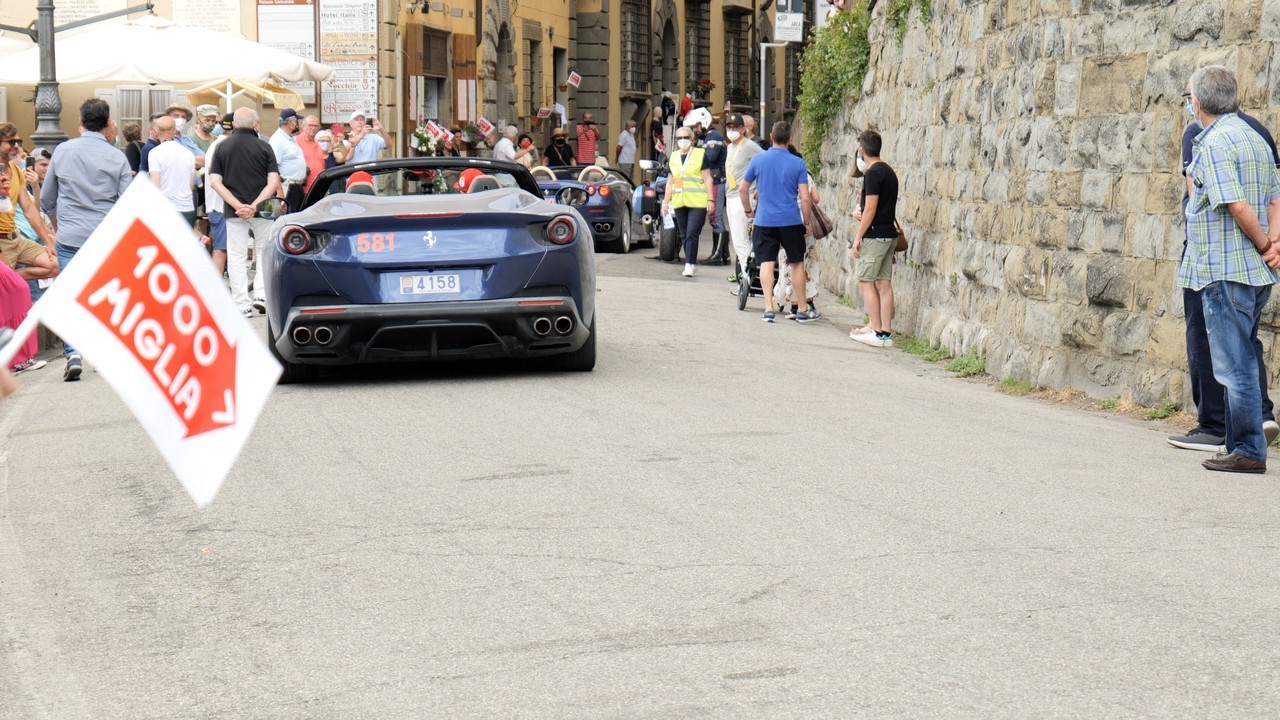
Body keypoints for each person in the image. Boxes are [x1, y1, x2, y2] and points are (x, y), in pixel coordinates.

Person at [1180, 65, 1280, 474]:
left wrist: (1261, 242)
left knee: (1232, 364)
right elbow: (1275, 196)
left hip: (1225, 267)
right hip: (1256, 272)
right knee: (1245, 356)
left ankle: (1246, 449)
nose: (1188, 103)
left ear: (1198, 102)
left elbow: (1236, 205)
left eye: (1188, 97)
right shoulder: (1255, 137)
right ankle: (1248, 444)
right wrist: (1274, 244)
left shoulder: (1214, 143)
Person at [41, 98, 133, 381]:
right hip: (104, 235)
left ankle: (73, 352)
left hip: (70, 235)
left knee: (71, 295)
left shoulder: (63, 151)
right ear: (107, 124)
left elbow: (46, 198)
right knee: (104, 295)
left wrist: (58, 219)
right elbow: (126, 201)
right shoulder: (116, 156)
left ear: (80, 122)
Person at [740, 120, 817, 323]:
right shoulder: (798, 163)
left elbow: (743, 188)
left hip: (765, 220)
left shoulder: (758, 160)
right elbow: (806, 198)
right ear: (790, 139)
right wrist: (807, 222)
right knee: (797, 263)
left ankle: (768, 307)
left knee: (766, 262)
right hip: (791, 220)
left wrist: (749, 211)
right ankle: (801, 307)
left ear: (771, 137)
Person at [208, 108, 281, 317]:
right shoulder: (265, 147)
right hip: (263, 209)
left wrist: (238, 205)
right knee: (264, 252)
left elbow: (215, 182)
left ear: (234, 124)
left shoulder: (221, 147)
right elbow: (273, 182)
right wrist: (255, 205)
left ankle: (242, 303)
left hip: (233, 211)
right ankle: (261, 295)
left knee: (237, 256)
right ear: (256, 124)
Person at [848, 130, 899, 347]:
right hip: (889, 235)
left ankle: (876, 331)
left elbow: (870, 209)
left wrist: (858, 236)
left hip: (875, 235)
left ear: (862, 150)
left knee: (865, 281)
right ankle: (884, 331)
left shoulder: (872, 174)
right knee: (884, 283)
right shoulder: (889, 171)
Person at [661, 124, 713, 278]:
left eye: (685, 138)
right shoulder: (674, 156)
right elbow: (670, 181)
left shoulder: (700, 154)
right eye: (679, 138)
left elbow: (708, 178)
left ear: (692, 139)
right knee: (684, 233)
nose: (682, 140)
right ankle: (690, 262)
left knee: (692, 232)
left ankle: (690, 264)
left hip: (698, 201)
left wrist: (711, 199)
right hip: (679, 200)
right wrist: (665, 202)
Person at [723, 113, 763, 284]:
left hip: (743, 198)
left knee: (741, 239)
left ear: (742, 129)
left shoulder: (749, 146)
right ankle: (746, 276)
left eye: (735, 127)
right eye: (729, 127)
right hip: (731, 196)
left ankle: (749, 277)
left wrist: (760, 187)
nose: (731, 130)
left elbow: (765, 163)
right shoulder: (730, 147)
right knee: (737, 240)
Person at [147, 115, 198, 227]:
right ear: (174, 131)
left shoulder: (155, 153)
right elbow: (191, 184)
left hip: (165, 208)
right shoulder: (188, 153)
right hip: (186, 207)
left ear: (156, 130)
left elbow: (155, 185)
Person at [203, 113, 233, 278]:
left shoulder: (218, 145)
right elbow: (218, 179)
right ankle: (216, 291)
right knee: (221, 250)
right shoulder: (220, 147)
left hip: (220, 206)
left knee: (223, 249)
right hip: (220, 206)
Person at [270, 108, 307, 212]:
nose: (297, 124)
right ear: (290, 122)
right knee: (289, 220)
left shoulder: (288, 138)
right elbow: (273, 169)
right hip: (287, 187)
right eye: (296, 121)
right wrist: (280, 192)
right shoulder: (278, 140)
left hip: (295, 187)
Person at [296, 115, 326, 194]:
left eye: (316, 126)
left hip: (319, 188)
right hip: (301, 189)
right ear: (303, 126)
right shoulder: (295, 141)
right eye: (310, 125)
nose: (313, 128)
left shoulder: (318, 145)